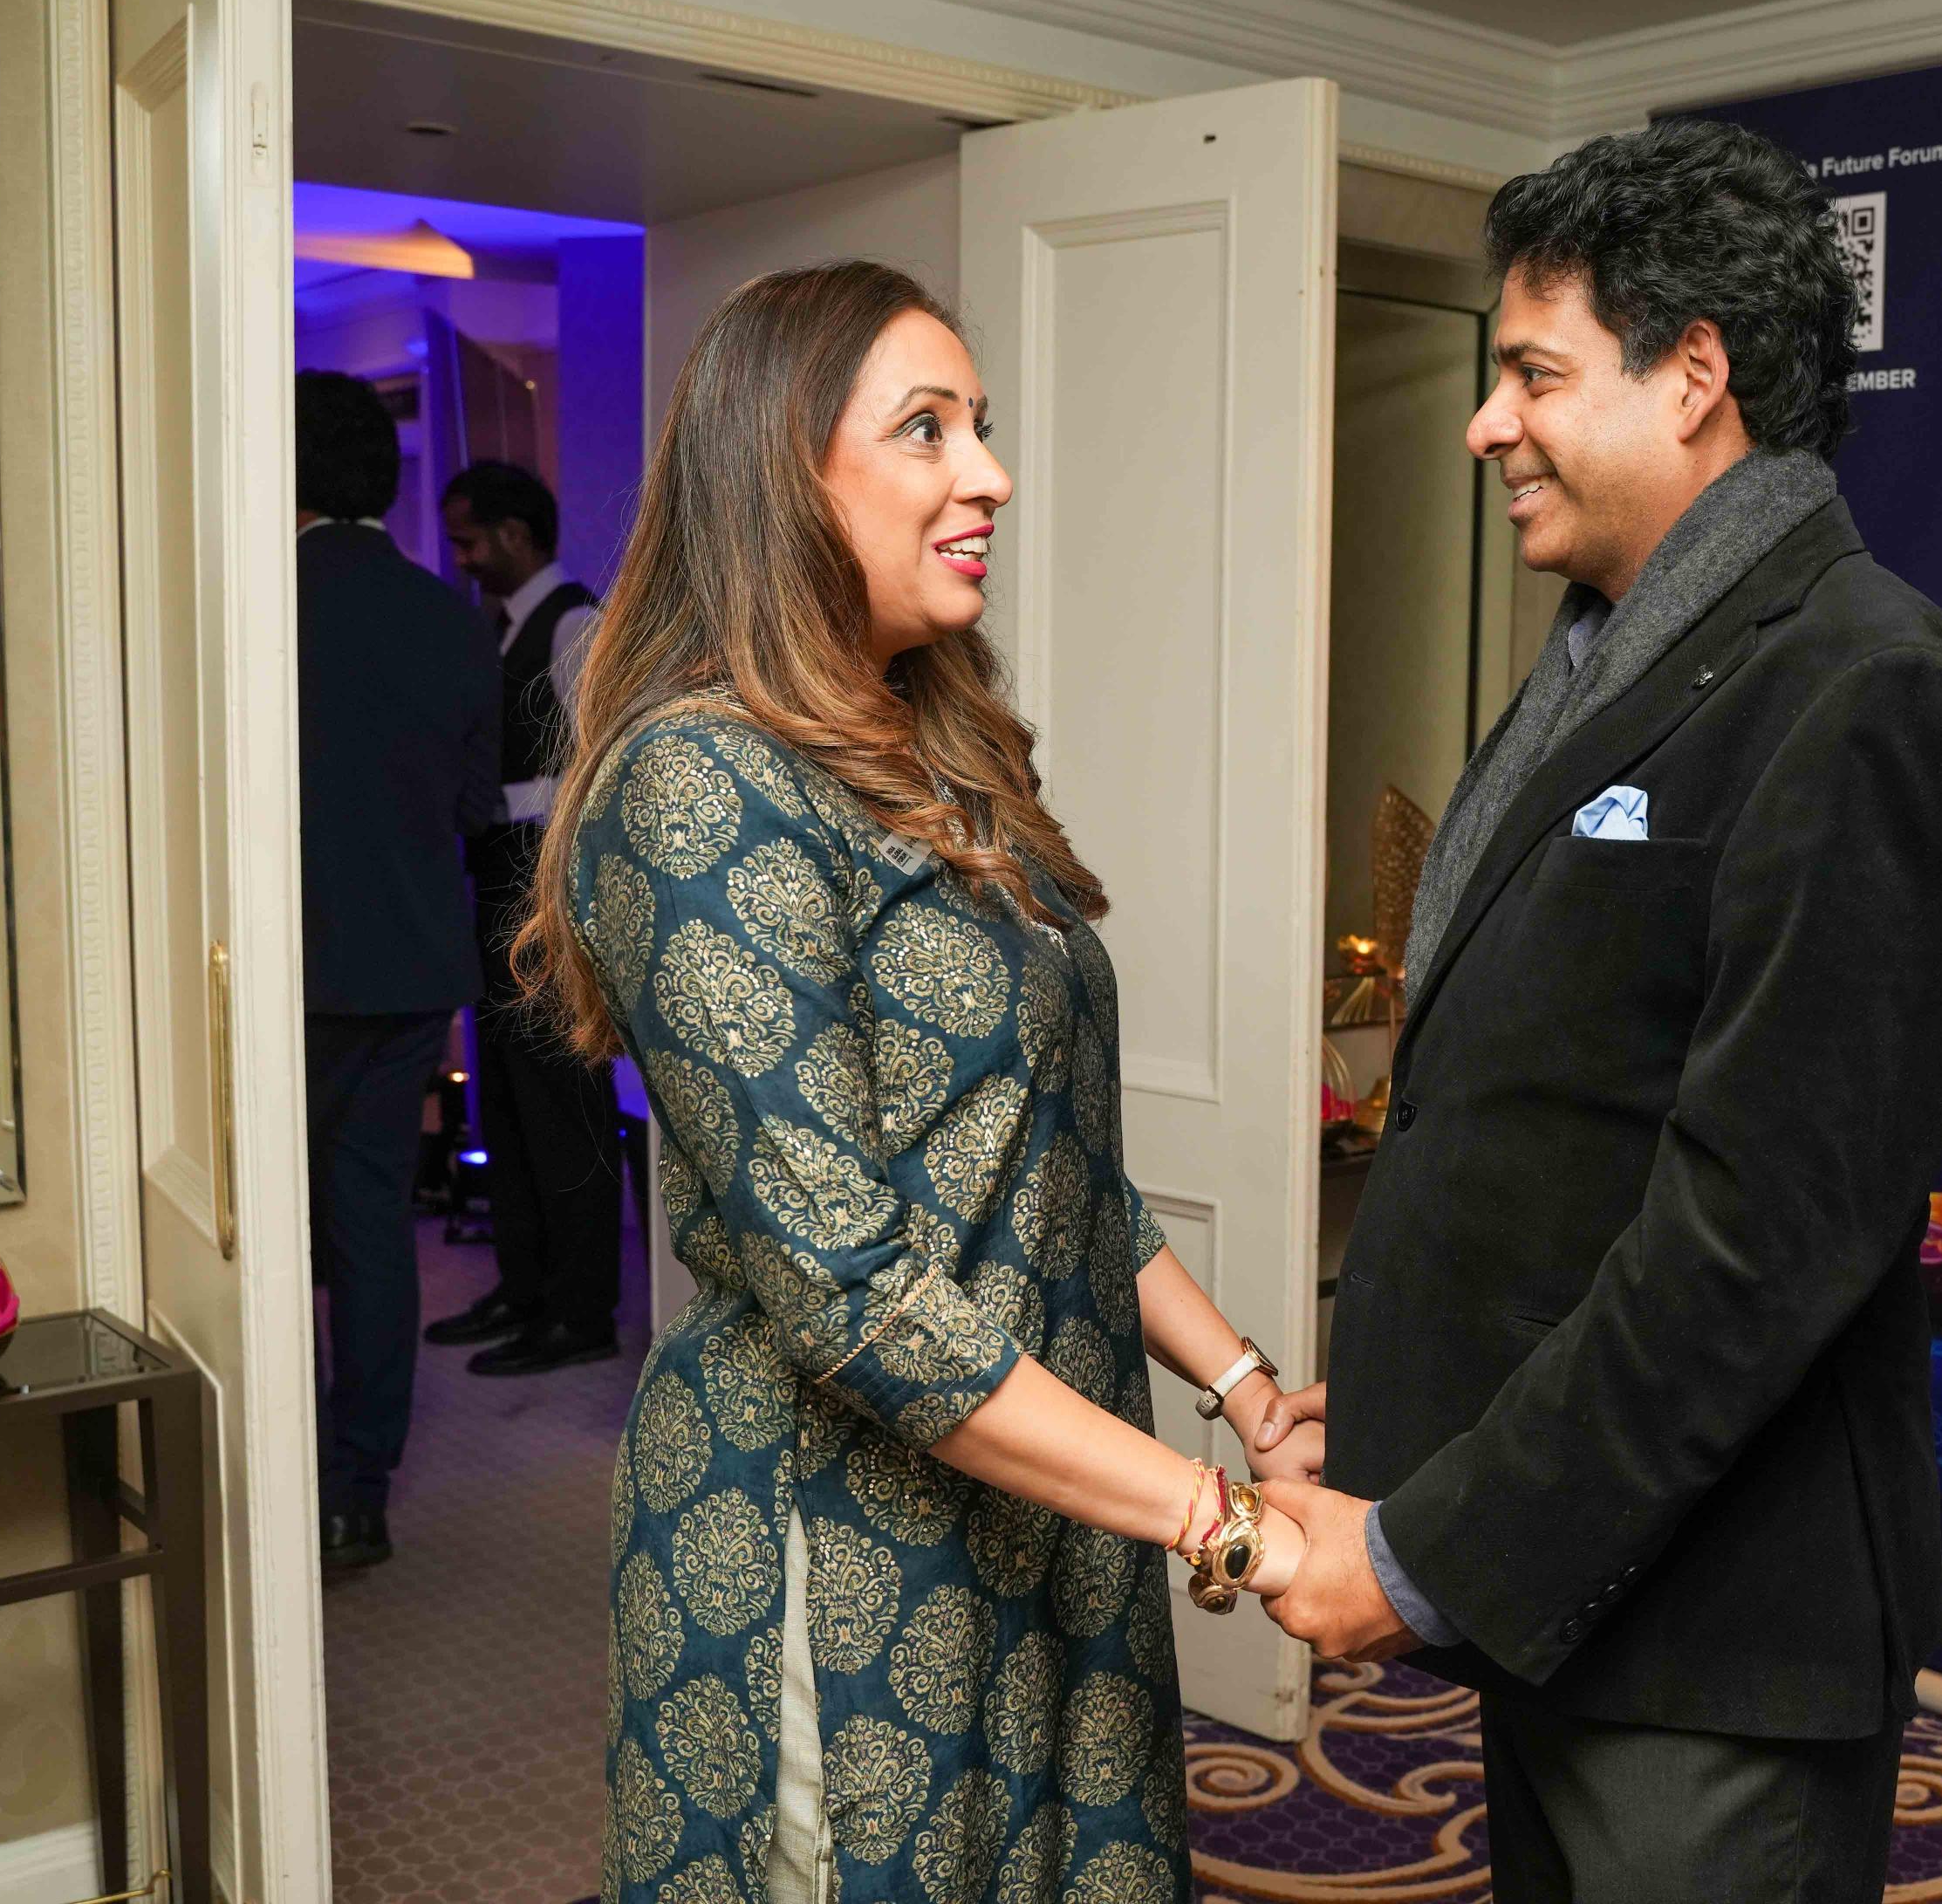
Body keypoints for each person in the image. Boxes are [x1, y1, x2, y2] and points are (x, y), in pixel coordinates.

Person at [1253, 121, 1942, 1904]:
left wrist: (1431, 1552)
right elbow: (1565, 1115)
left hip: (1715, 1640)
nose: (1484, 424)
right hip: (1576, 1585)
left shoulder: (1866, 687)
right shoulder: (1625, 644)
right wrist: (1404, 1400)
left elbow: (1753, 1245)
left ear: (1694, 377)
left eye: (1533, 373)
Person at [516, 262, 1323, 1904]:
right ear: (784, 476)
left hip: (1048, 1490)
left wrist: (1244, 1387)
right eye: (928, 429)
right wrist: (1219, 1520)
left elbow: (1046, 1163)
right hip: (838, 1533)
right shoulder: (700, 783)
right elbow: (852, 1289)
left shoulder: (928, 749)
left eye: (983, 426)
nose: (991, 474)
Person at [295, 372, 502, 1571]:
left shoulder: (259, 605)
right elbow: (476, 807)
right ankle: (357, 1491)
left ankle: (277, 1478)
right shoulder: (450, 618)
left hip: (290, 970)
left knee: (275, 1231)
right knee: (372, 1223)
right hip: (417, 961)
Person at [421, 459, 626, 1375]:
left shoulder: (576, 623)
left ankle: (581, 1310)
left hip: (547, 892)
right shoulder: (494, 631)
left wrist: (487, 802)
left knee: (561, 1104)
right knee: (502, 1098)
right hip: (496, 885)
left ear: (514, 534)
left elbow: (596, 767)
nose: (462, 558)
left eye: (469, 540)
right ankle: (524, 1284)